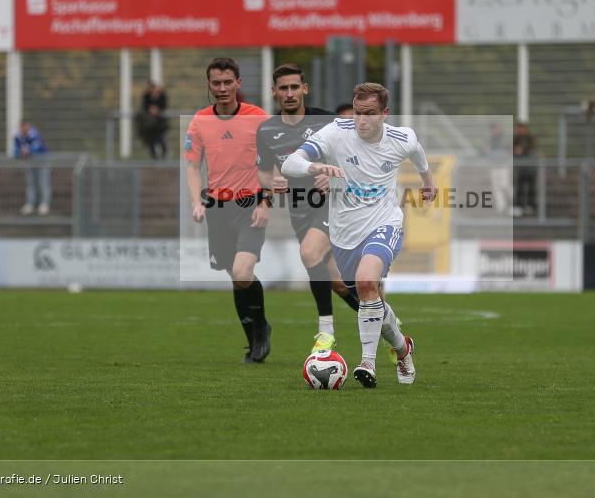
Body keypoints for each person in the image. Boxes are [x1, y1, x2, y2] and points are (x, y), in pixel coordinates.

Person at [282, 82, 436, 388]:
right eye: (357, 113)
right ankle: (402, 348)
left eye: (369, 114)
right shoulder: (336, 132)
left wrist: (428, 183)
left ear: (384, 113)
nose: (361, 120)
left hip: (385, 223)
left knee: (368, 282)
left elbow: (418, 155)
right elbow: (290, 163)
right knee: (370, 296)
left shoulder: (400, 138)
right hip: (344, 234)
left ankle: (367, 364)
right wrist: (315, 167)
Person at [255, 64, 361, 353]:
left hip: (336, 206)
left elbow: (357, 160)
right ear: (274, 92)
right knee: (338, 283)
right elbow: (264, 173)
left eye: (294, 87)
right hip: (300, 210)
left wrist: (334, 172)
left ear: (305, 88)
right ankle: (388, 323)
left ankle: (325, 332)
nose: (289, 94)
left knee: (309, 252)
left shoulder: (328, 122)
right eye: (283, 88)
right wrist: (273, 182)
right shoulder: (266, 131)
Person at [185, 57, 272, 364]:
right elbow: (193, 167)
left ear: (238, 83)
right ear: (209, 85)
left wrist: (266, 202)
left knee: (242, 271)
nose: (222, 88)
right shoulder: (199, 122)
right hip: (218, 209)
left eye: (227, 82)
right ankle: (253, 339)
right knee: (235, 277)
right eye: (215, 83)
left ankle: (261, 329)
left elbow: (273, 164)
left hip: (250, 206)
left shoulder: (258, 117)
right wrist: (197, 201)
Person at [14, 121, 51, 216]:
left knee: (44, 182)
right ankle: (30, 204)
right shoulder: (18, 136)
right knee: (31, 183)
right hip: (30, 162)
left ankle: (44, 204)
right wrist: (20, 153)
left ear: (28, 126)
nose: (24, 129)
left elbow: (37, 146)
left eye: (26, 127)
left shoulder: (35, 134)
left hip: (42, 161)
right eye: (22, 128)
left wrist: (28, 150)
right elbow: (16, 150)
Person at [137, 81, 169, 159]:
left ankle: (163, 158)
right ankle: (155, 159)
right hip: (150, 126)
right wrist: (150, 110)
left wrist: (157, 110)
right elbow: (144, 106)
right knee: (152, 142)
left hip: (159, 125)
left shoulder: (161, 96)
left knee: (161, 140)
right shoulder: (147, 96)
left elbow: (164, 105)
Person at [512, 122, 537, 216]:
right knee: (519, 187)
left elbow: (533, 150)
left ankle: (530, 206)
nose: (520, 130)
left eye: (521, 128)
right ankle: (519, 206)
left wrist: (522, 150)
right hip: (520, 168)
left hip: (530, 168)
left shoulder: (531, 139)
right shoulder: (516, 139)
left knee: (531, 187)